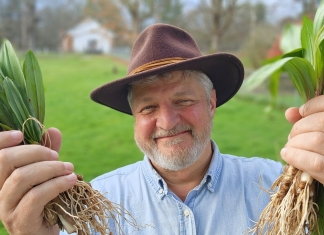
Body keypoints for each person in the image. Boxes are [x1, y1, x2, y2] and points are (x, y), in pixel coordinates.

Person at [0, 23, 323, 235]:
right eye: (148, 107)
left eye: (183, 100)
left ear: (211, 103)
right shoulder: (95, 206)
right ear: (133, 116)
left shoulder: (278, 187)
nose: (167, 122)